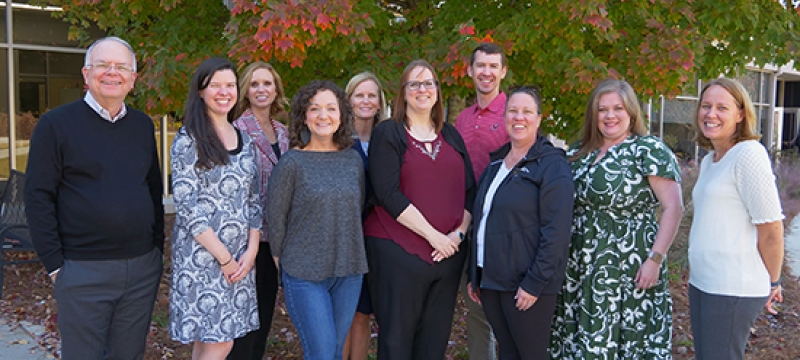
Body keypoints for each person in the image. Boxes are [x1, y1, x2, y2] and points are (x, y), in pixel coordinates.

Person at [24, 36, 164, 360]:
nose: (112, 73)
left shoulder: (143, 126)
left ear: (133, 79)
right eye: (103, 65)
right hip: (82, 270)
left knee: (128, 355)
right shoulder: (55, 125)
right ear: (86, 74)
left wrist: (156, 251)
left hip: (141, 269)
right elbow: (38, 196)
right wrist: (56, 266)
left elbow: (153, 190)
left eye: (121, 67)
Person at [549, 78, 684, 359]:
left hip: (628, 267)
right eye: (602, 109)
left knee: (626, 341)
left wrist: (655, 259)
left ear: (631, 112)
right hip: (580, 268)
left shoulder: (648, 150)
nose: (610, 116)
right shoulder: (579, 152)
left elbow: (673, 207)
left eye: (618, 108)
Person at [364, 59, 475, 359]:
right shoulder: (388, 133)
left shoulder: (451, 135)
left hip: (448, 256)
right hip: (398, 255)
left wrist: (457, 235)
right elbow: (387, 192)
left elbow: (469, 191)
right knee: (396, 343)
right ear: (403, 92)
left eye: (428, 83)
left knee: (433, 344)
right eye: (414, 83)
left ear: (437, 91)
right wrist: (433, 236)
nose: (422, 89)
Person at [467, 87, 574, 359]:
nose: (519, 117)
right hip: (492, 282)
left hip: (527, 286)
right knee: (508, 353)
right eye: (513, 111)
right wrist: (474, 274)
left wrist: (534, 282)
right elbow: (482, 220)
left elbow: (557, 231)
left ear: (538, 119)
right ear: (504, 117)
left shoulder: (551, 166)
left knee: (530, 355)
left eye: (527, 111)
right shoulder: (496, 164)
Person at [169, 57, 262, 359]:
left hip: (240, 259)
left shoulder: (246, 140)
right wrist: (224, 259)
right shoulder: (188, 140)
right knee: (220, 343)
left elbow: (254, 199)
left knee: (210, 342)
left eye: (230, 85)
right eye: (215, 86)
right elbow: (187, 207)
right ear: (200, 91)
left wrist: (251, 251)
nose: (224, 92)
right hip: (204, 259)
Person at [267, 80, 367, 359]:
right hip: (305, 275)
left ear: (342, 115)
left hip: (349, 270)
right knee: (322, 354)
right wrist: (286, 266)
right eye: (315, 109)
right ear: (304, 116)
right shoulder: (291, 164)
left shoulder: (352, 161)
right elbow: (276, 221)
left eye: (331, 108)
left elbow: (355, 209)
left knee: (335, 351)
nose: (323, 116)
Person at [688, 78, 784, 360]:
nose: (711, 114)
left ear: (741, 114)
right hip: (703, 282)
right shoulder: (711, 159)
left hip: (732, 286)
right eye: (706, 106)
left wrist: (774, 282)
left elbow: (771, 228)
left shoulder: (748, 154)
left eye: (722, 107)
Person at [227, 61, 290, 360]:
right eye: (254, 84)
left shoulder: (285, 133)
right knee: (242, 322)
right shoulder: (236, 131)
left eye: (267, 83)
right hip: (245, 241)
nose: (261, 89)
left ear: (276, 89)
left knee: (264, 316)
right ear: (246, 91)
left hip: (276, 239)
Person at [454, 43, 509, 360]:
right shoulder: (462, 119)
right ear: (470, 71)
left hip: (502, 229)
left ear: (502, 72)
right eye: (480, 66)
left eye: (493, 66)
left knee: (507, 312)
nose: (486, 72)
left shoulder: (513, 113)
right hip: (466, 226)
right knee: (477, 312)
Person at [342, 71, 389, 360]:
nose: (366, 101)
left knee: (364, 312)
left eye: (372, 95)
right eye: (359, 94)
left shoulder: (389, 137)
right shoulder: (338, 139)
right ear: (348, 100)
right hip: (345, 235)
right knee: (345, 311)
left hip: (380, 236)